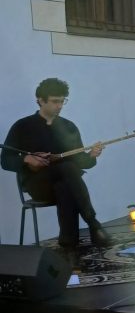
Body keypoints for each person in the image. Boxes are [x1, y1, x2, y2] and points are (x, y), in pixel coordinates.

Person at [1, 78, 112, 249]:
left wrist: (91, 155)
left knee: (65, 185)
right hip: (38, 185)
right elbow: (5, 161)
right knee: (67, 168)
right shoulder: (22, 126)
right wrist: (26, 159)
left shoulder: (69, 127)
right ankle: (93, 223)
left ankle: (68, 244)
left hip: (67, 184)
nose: (59, 106)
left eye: (62, 101)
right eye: (55, 101)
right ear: (40, 100)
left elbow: (82, 162)